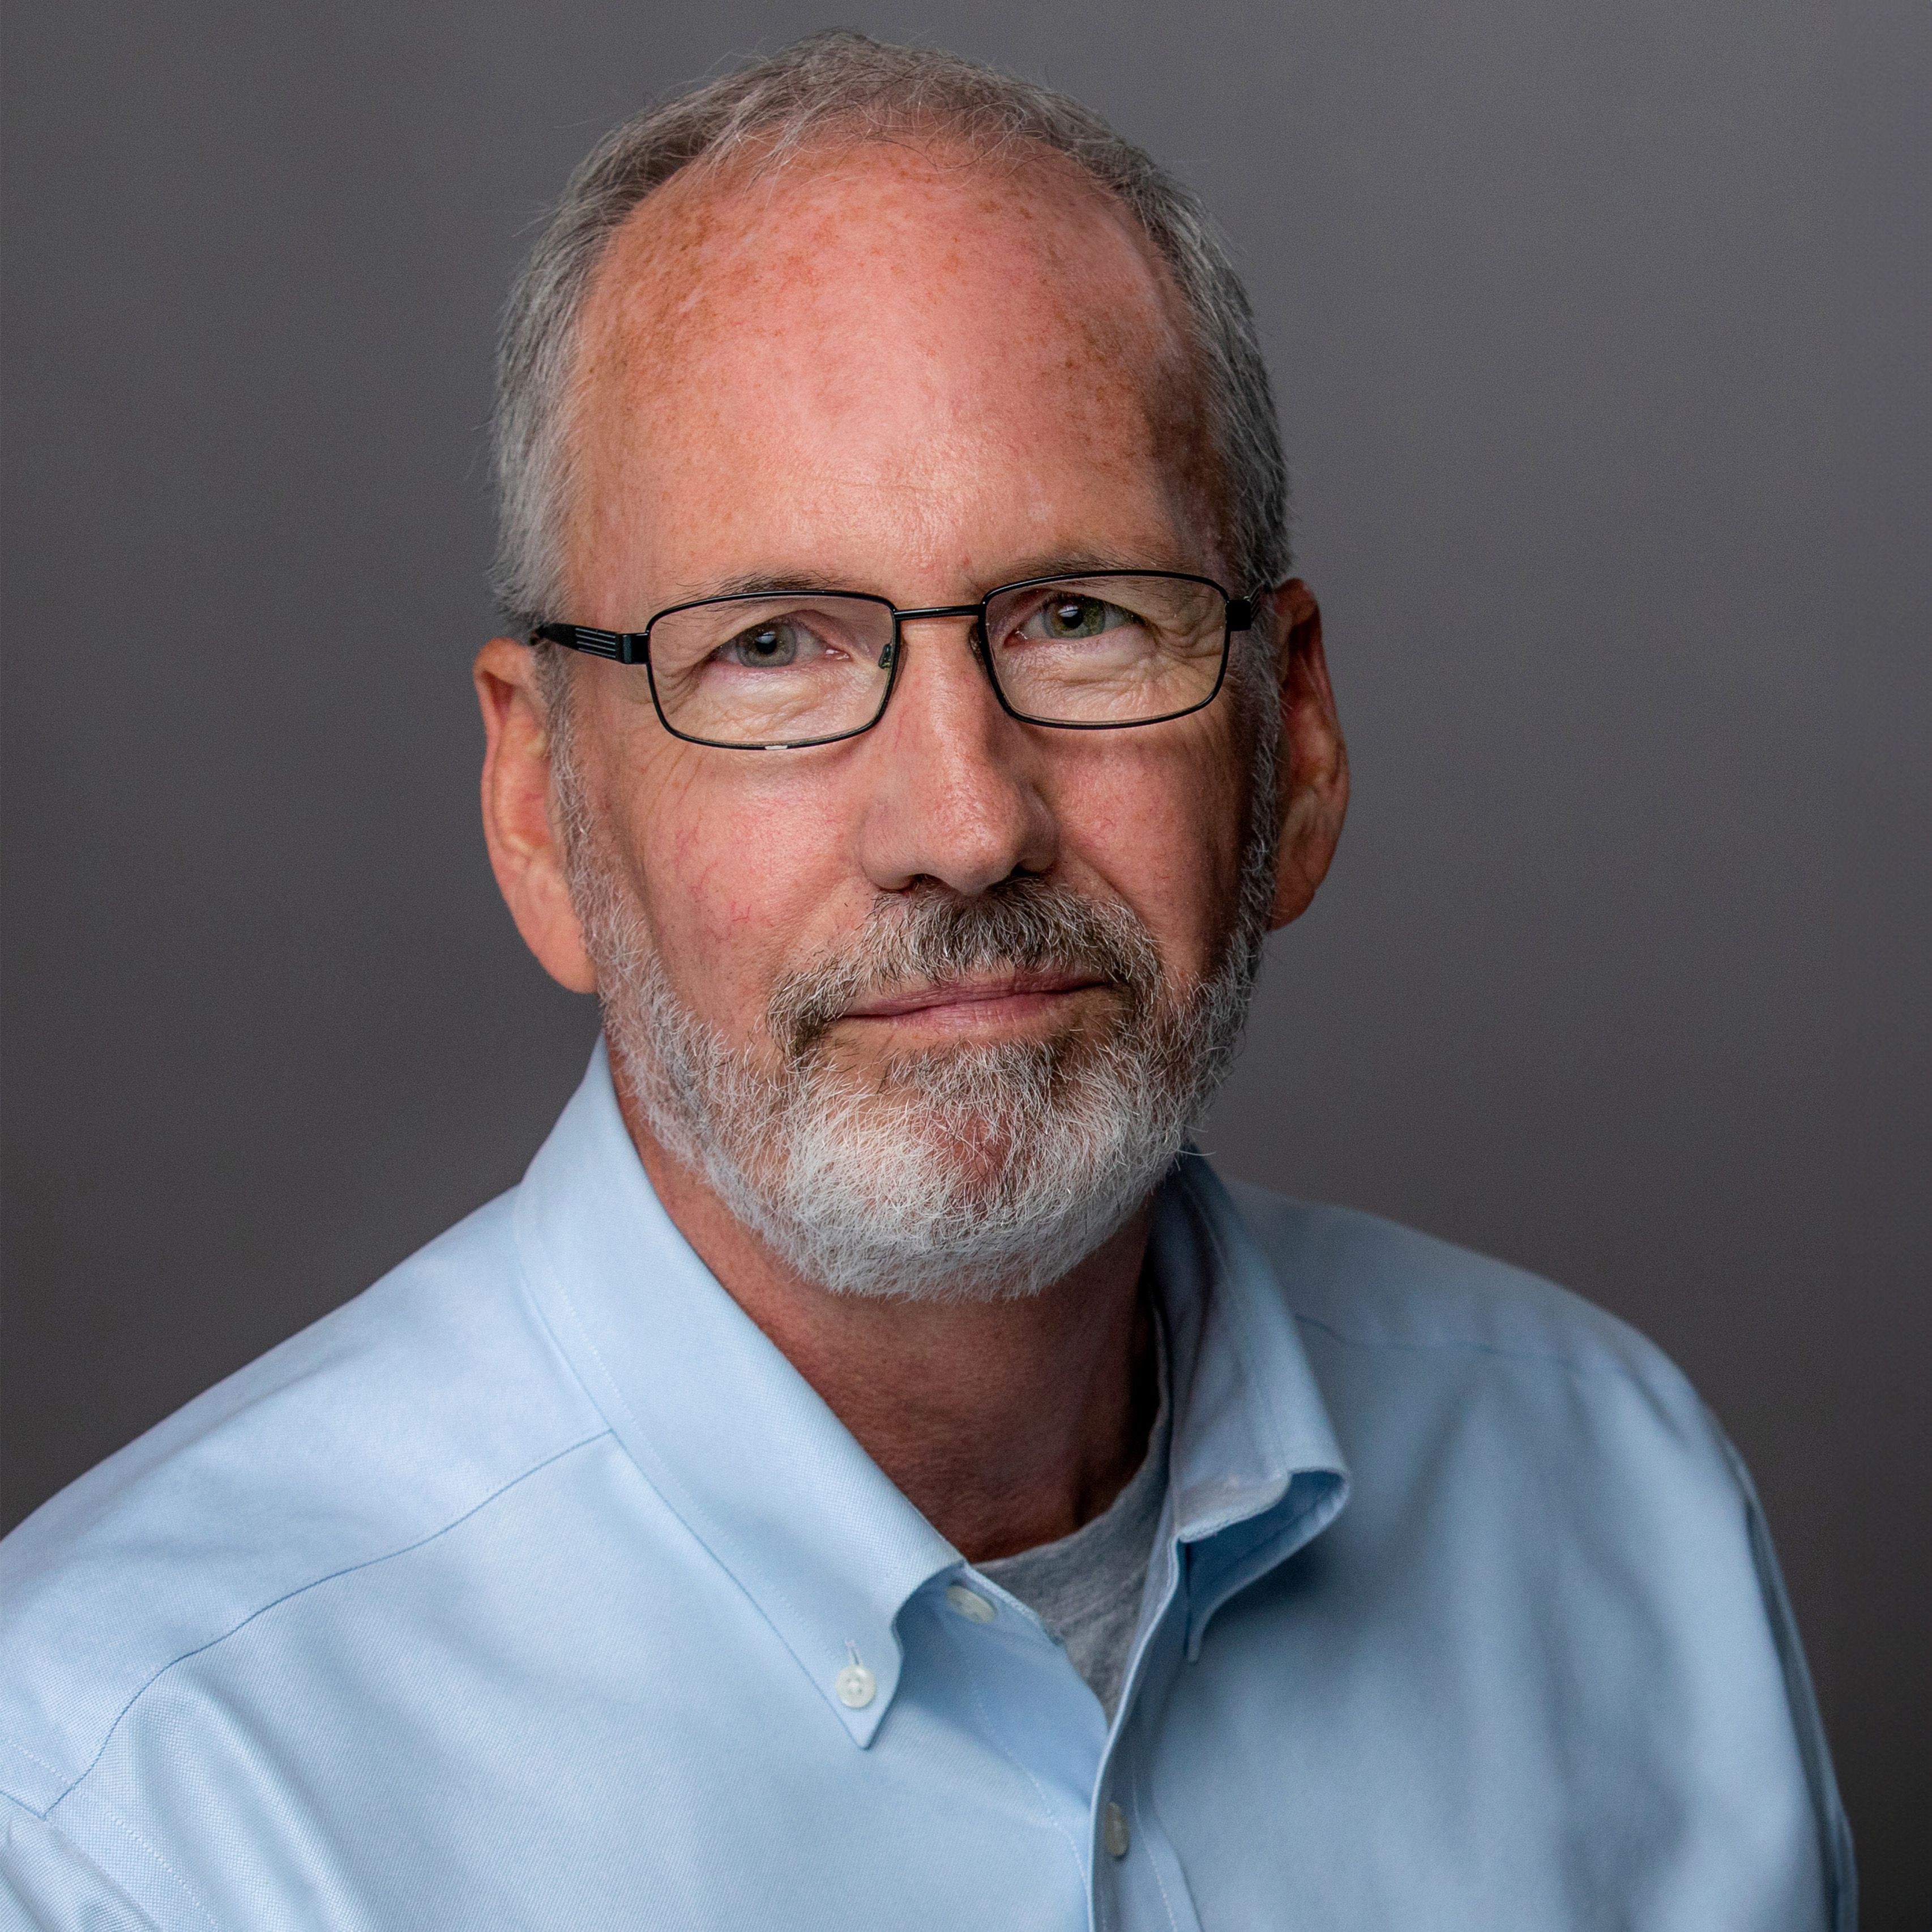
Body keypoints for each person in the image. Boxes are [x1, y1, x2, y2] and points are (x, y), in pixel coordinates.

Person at [0, 33, 1852, 1931]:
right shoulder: (132, 1799)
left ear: (1290, 744)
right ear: (543, 808)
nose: (964, 824)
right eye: (773, 649)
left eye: (1078, 615)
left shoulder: (1626, 1511)